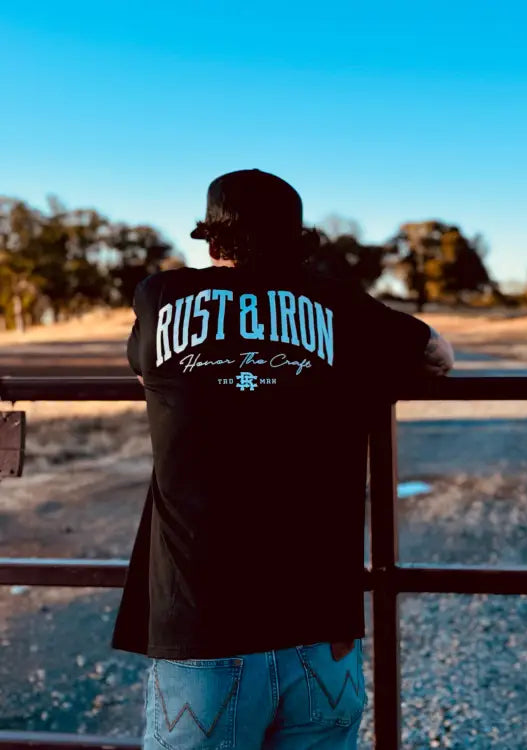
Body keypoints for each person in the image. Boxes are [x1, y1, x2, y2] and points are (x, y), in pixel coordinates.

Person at [112, 168, 454, 750]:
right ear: (298, 241)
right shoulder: (338, 304)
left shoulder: (161, 295)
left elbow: (142, 365)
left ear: (210, 238)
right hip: (323, 635)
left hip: (202, 634)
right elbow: (438, 355)